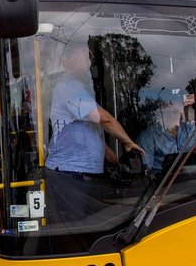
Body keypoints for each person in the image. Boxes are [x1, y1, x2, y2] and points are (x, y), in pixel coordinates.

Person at [45, 42, 144, 224]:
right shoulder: (68, 86)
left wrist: (116, 162)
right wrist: (127, 143)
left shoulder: (83, 87)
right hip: (70, 174)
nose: (86, 60)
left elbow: (92, 134)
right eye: (80, 55)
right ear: (66, 62)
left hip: (84, 174)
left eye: (87, 55)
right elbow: (105, 119)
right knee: (77, 228)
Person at [137, 100, 196, 176]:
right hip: (163, 182)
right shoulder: (147, 137)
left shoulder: (189, 129)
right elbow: (146, 173)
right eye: (167, 112)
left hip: (194, 180)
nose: (172, 116)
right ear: (160, 113)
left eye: (175, 112)